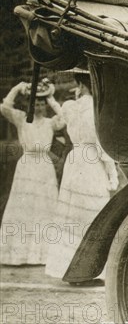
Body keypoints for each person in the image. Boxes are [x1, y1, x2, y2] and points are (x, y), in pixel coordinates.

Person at [45, 70, 118, 283]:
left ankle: (72, 269)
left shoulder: (71, 107)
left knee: (72, 215)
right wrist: (112, 175)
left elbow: (62, 115)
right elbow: (102, 147)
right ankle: (92, 269)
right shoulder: (95, 109)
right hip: (91, 162)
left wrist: (50, 98)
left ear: (80, 85)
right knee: (95, 214)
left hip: (75, 160)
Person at [0, 80, 61, 265]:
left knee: (44, 207)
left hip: (44, 166)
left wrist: (51, 98)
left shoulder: (51, 123)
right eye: (37, 103)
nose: (40, 107)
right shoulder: (21, 119)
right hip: (27, 166)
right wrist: (17, 88)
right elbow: (4, 108)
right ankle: (20, 254)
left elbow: (65, 117)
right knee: (25, 207)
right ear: (30, 104)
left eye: (43, 103)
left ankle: (44, 254)